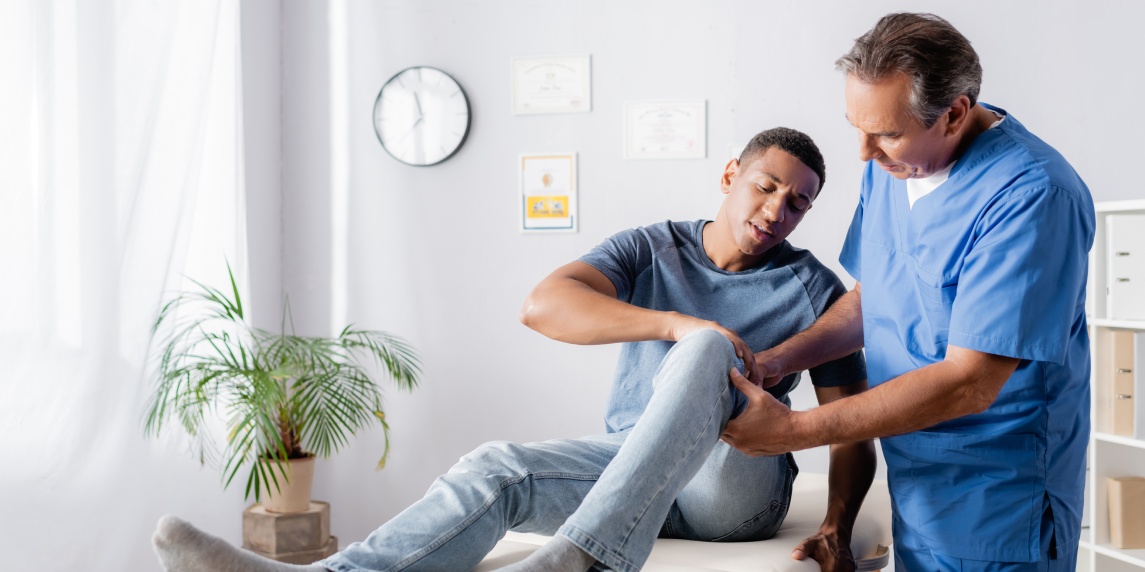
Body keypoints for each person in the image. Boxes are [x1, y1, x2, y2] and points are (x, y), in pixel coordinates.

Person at [151, 127, 876, 572]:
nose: (776, 210)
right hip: (628, 460)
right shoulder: (651, 246)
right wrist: (672, 324)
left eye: (798, 203)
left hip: (733, 487)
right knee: (496, 466)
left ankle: (584, 556)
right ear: (729, 177)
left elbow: (853, 426)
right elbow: (543, 306)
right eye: (765, 186)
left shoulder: (811, 286)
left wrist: (835, 528)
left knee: (703, 354)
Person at [720, 13, 1095, 571]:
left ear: (955, 114)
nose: (864, 153)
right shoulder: (893, 165)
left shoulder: (1033, 197)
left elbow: (970, 383)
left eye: (887, 133)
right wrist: (777, 361)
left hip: (997, 499)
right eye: (857, 127)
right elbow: (877, 300)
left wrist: (795, 431)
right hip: (917, 481)